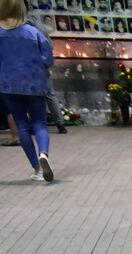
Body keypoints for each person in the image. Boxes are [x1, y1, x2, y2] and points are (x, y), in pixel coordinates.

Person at [0, 0, 54, 181]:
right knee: (39, 123)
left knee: (22, 125)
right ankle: (44, 154)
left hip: (8, 86)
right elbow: (47, 59)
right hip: (34, 84)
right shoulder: (33, 33)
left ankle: (36, 169)